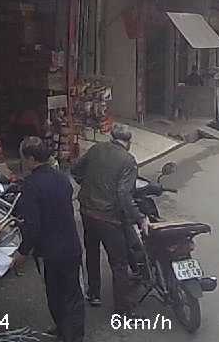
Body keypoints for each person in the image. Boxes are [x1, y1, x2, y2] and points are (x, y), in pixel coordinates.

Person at [72, 124, 148, 312]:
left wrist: (87, 185)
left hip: (88, 212)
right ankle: (123, 309)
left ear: (112, 137)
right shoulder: (128, 160)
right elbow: (124, 194)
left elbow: (75, 171)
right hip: (109, 218)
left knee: (92, 253)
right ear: (129, 142)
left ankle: (94, 293)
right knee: (119, 263)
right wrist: (140, 218)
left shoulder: (96, 149)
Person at [16, 139, 85, 342]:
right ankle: (74, 335)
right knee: (73, 293)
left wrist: (22, 252)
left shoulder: (31, 185)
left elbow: (32, 226)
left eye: (23, 158)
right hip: (71, 245)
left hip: (50, 251)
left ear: (31, 159)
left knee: (55, 294)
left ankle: (65, 332)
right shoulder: (62, 178)